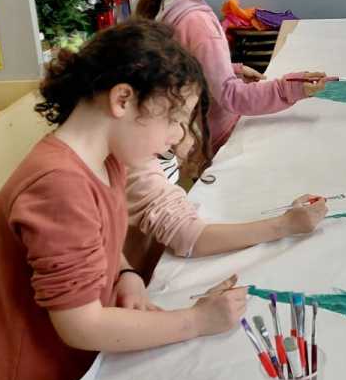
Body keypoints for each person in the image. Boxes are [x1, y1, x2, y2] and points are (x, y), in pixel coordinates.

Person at [0, 21, 248, 380]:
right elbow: (81, 324)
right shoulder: (58, 185)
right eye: (175, 119)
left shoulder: (104, 160)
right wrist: (196, 320)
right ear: (123, 99)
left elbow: (100, 241)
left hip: (69, 376)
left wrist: (125, 274)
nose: (177, 138)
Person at [136, 0, 332, 154]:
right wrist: (289, 88)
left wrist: (232, 70)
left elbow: (188, 68)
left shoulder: (169, 5)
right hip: (216, 138)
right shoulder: (197, 21)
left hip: (194, 132)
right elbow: (232, 97)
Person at [125, 83, 328, 281]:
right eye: (175, 120)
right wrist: (285, 225)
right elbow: (188, 236)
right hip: (141, 271)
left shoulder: (146, 149)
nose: (182, 134)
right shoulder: (137, 165)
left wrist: (175, 155)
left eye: (184, 121)